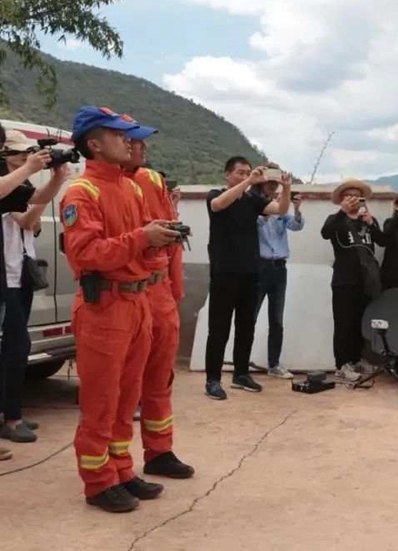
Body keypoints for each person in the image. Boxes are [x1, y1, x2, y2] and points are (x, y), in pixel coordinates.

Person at [61, 106, 182, 513]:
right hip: (105, 307)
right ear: (94, 144)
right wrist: (141, 238)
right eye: (119, 135)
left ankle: (122, 470)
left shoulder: (129, 187)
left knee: (127, 394)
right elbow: (88, 255)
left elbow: (140, 247)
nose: (129, 141)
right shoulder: (81, 193)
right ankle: (97, 482)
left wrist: (160, 241)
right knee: (101, 399)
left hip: (138, 303)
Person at [121, 116, 194, 479]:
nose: (142, 147)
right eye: (134, 141)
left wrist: (174, 290)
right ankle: (115, 468)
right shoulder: (98, 187)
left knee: (160, 378)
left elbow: (174, 241)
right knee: (123, 384)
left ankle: (160, 451)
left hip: (159, 291)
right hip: (126, 293)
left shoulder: (152, 180)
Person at [0, 131, 68, 445]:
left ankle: (10, 412)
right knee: (16, 347)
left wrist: (57, 177)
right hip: (7, 279)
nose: (26, 156)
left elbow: (34, 205)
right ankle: (11, 419)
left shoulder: (18, 182)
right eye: (21, 152)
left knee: (16, 348)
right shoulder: (9, 179)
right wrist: (29, 168)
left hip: (19, 275)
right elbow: (28, 220)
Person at [204, 157, 290, 400]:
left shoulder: (253, 200)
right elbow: (219, 205)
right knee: (219, 328)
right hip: (224, 271)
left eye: (248, 173)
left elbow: (280, 210)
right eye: (240, 173)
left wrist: (287, 188)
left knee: (246, 326)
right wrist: (249, 182)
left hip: (251, 271)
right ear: (227, 174)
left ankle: (241, 374)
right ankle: (213, 379)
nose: (244, 176)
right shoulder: (215, 194)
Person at [321, 179, 386, 381]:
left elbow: (382, 241)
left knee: (361, 322)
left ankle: (358, 359)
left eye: (357, 195)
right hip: (344, 279)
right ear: (342, 199)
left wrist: (370, 223)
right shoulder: (336, 219)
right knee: (343, 323)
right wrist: (342, 212)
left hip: (366, 280)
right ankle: (342, 364)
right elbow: (325, 233)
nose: (353, 198)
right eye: (348, 195)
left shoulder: (368, 219)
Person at [255, 168, 304, 379]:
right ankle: (241, 361)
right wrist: (269, 209)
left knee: (277, 318)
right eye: (270, 183)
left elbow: (296, 225)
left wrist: (296, 207)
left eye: (276, 184)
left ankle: (274, 364)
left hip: (279, 268)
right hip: (259, 267)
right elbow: (255, 224)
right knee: (251, 316)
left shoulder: (281, 210)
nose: (273, 187)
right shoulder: (252, 204)